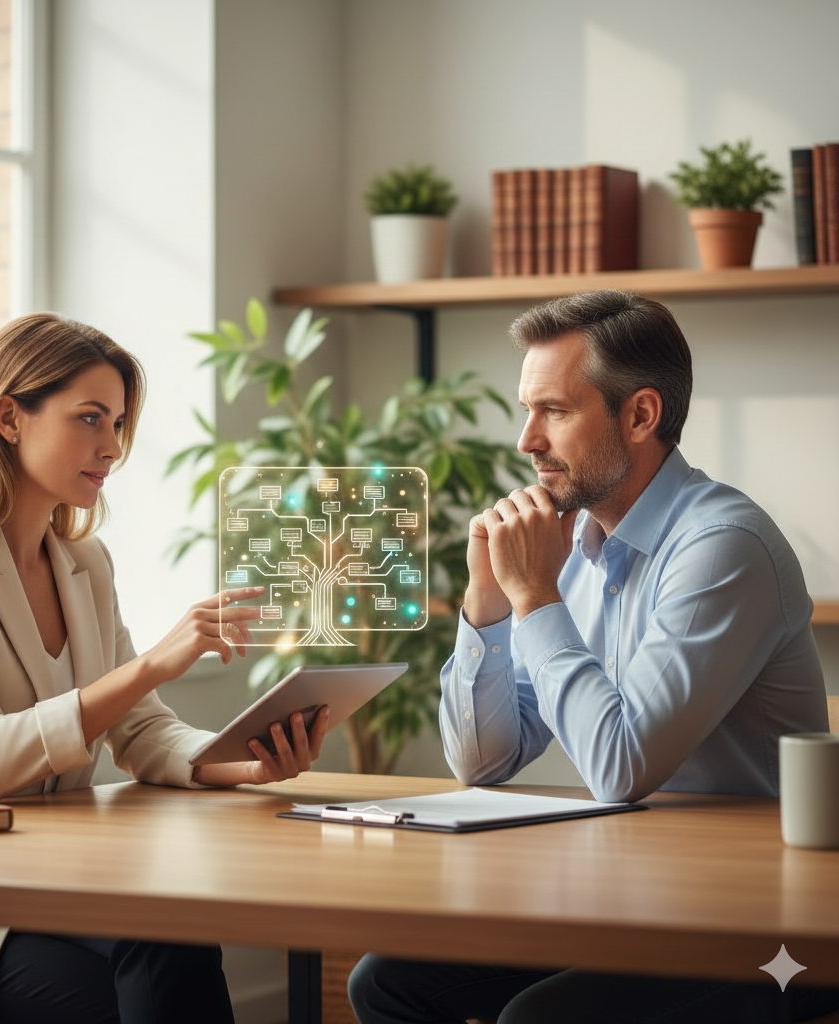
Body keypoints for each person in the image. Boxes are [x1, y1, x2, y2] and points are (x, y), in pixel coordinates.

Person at [0, 312, 330, 1024]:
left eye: (118, 423)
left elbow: (143, 732)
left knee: (175, 939)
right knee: (105, 1002)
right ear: (8, 418)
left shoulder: (84, 563)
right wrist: (151, 664)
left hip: (39, 885)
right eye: (90, 418)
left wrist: (237, 762)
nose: (112, 446)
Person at [348, 290, 839, 1024]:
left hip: (771, 931)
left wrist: (537, 596)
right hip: (640, 896)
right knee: (384, 981)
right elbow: (484, 763)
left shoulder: (723, 547)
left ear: (640, 415)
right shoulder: (576, 549)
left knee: (541, 1018)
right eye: (526, 409)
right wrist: (487, 604)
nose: (525, 441)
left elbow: (620, 769)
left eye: (553, 410)